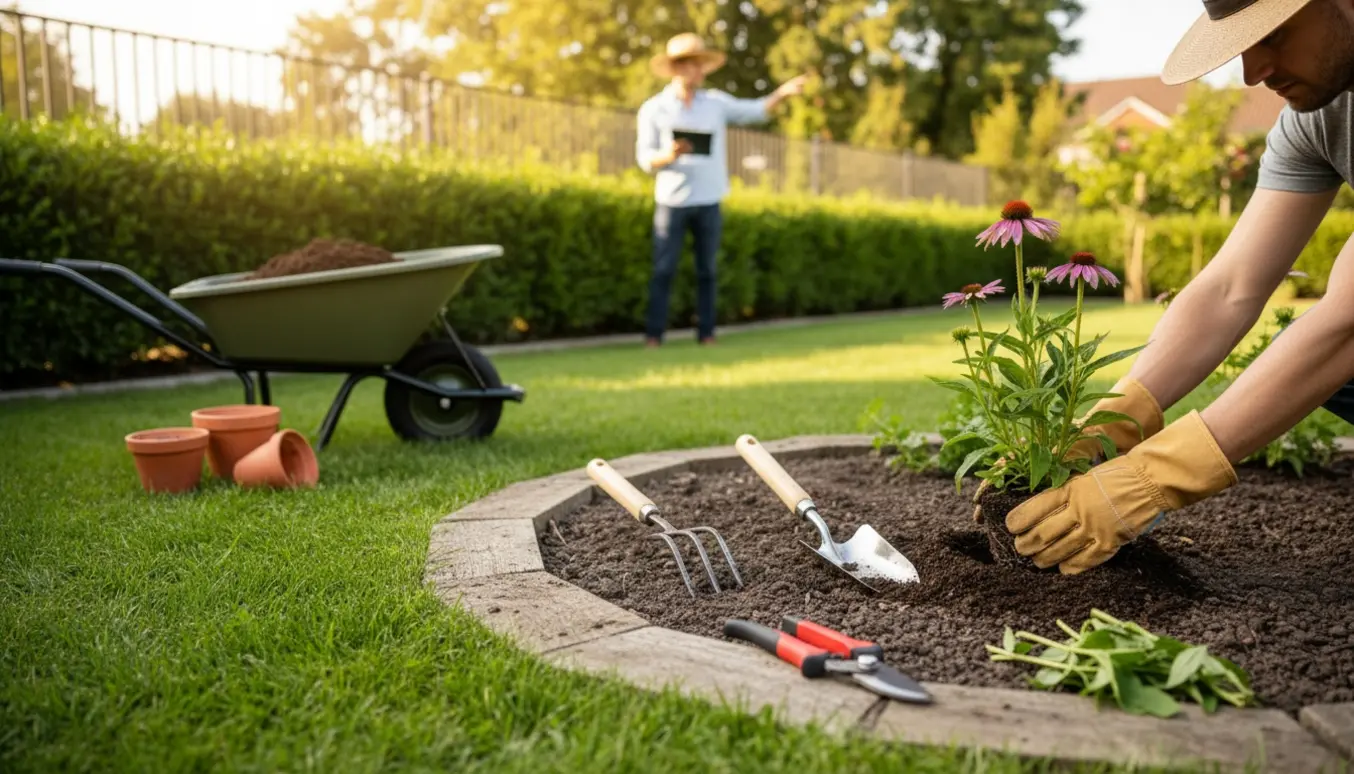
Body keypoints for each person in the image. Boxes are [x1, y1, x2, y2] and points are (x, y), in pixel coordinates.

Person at [1006, 0, 1354, 575]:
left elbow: (1347, 319)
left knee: (1326, 353)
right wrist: (1113, 420)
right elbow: (1229, 286)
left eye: (1274, 35)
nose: (1253, 71)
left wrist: (1155, 476)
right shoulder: (1319, 116)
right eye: (1243, 44)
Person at [635, 33, 808, 347]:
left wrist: (782, 93)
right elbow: (644, 158)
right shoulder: (654, 109)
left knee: (708, 271)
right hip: (671, 200)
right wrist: (670, 155)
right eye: (692, 65)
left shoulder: (715, 104)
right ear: (676, 67)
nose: (698, 72)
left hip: (709, 198)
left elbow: (756, 110)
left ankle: (707, 334)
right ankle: (653, 336)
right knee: (663, 270)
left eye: (702, 65)